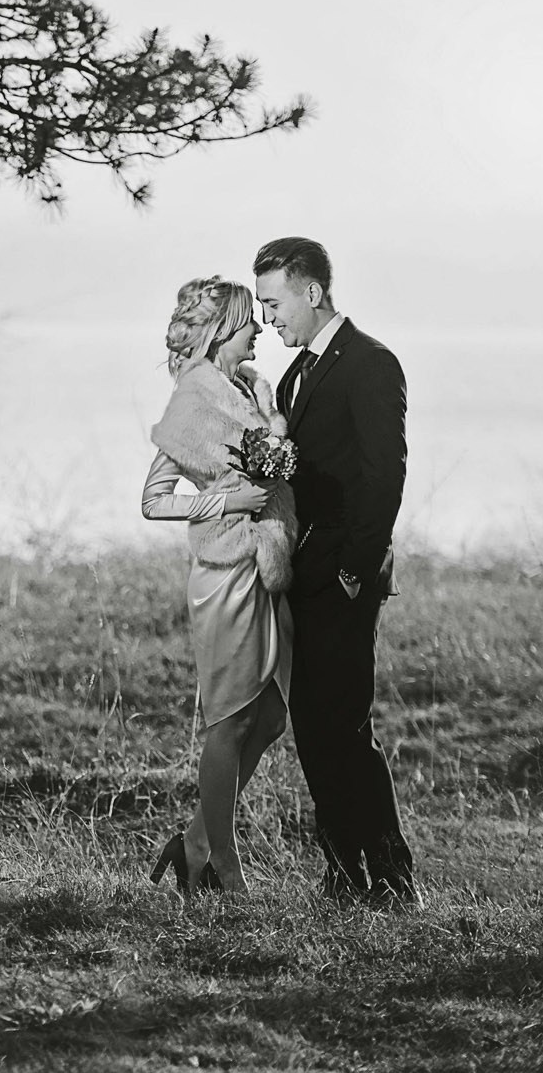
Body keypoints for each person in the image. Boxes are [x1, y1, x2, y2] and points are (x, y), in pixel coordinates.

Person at [253, 237, 420, 907]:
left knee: (346, 725)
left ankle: (394, 876)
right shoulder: (295, 375)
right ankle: (344, 871)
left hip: (346, 579)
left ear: (312, 291)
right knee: (313, 727)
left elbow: (385, 477)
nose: (268, 318)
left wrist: (354, 569)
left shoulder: (372, 363)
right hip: (303, 576)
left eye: (274, 303)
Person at [141, 277, 299, 896]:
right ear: (221, 330)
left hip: (267, 568)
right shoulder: (193, 401)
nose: (258, 328)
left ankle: (193, 845)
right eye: (247, 321)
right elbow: (154, 500)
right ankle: (222, 868)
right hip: (225, 573)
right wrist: (226, 501)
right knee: (229, 724)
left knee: (272, 718)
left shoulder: (253, 391)